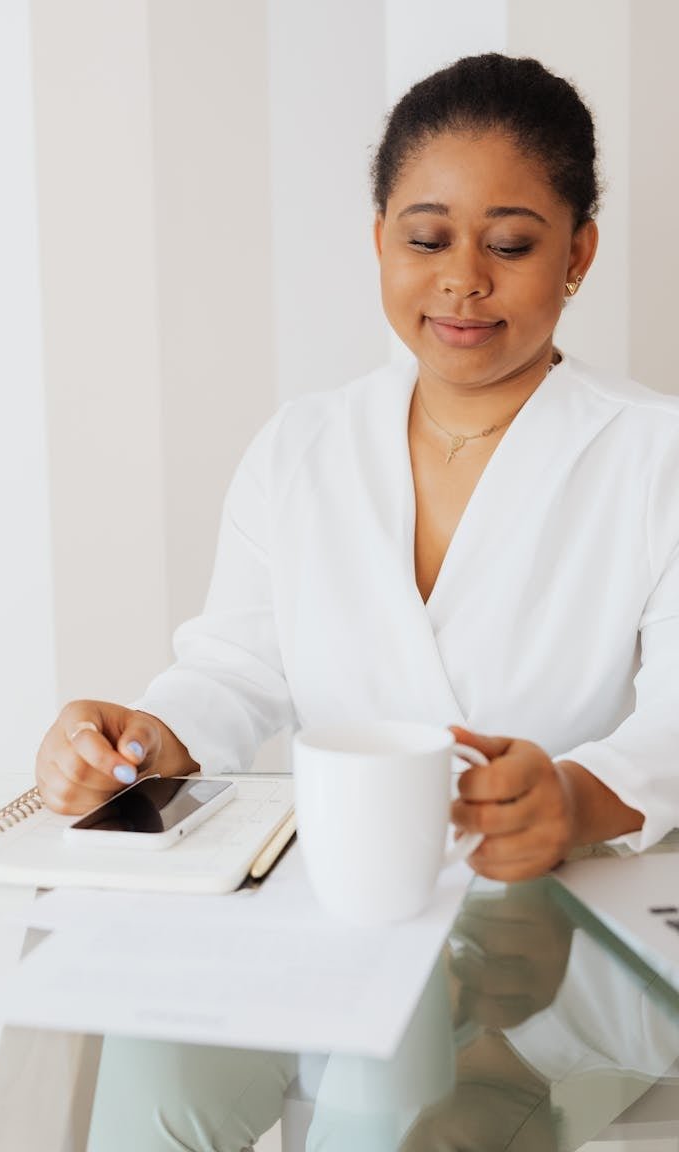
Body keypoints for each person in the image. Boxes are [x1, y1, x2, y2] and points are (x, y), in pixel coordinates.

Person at [36, 52, 679, 883]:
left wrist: (571, 798)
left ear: (578, 255)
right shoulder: (300, 447)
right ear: (381, 242)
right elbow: (234, 669)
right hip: (341, 900)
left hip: (567, 907)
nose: (463, 280)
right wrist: (144, 739)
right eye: (426, 238)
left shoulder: (655, 453)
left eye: (511, 244)